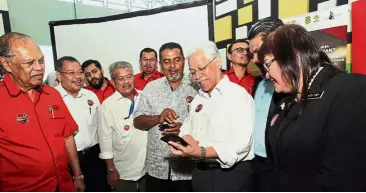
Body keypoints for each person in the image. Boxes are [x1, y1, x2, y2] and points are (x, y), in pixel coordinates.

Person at [259, 24, 366, 191]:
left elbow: (343, 178)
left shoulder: (349, 90)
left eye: (267, 64)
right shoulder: (285, 101)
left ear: (292, 55)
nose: (266, 74)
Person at [0, 32, 84, 191]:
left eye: (41, 60)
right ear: (6, 63)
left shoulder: (52, 94)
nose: (39, 68)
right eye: (29, 62)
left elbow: (67, 137)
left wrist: (78, 175)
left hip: (64, 185)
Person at [169, 41, 255, 192]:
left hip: (230, 178)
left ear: (217, 62)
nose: (197, 76)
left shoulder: (238, 95)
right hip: (201, 175)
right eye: (193, 72)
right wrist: (182, 145)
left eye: (201, 68)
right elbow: (187, 131)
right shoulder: (198, 99)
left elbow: (240, 145)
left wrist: (201, 152)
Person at [133, 42, 197, 192]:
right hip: (156, 168)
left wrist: (185, 128)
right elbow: (137, 121)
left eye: (177, 60)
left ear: (184, 61)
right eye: (167, 61)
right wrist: (158, 118)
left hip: (188, 170)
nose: (172, 66)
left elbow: (209, 124)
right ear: (160, 65)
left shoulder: (197, 87)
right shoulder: (151, 88)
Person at [55, 56, 110, 191]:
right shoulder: (52, 97)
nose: (78, 77)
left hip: (94, 156)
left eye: (80, 72)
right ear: (59, 76)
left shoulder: (90, 96)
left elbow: (101, 128)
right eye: (71, 73)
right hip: (67, 161)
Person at [247, 16, 284, 191]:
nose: (254, 59)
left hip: (281, 167)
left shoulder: (290, 88)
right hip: (256, 164)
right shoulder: (259, 83)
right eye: (252, 53)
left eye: (257, 51)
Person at [98, 61, 147, 192]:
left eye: (129, 76)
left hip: (147, 170)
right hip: (123, 173)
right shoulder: (107, 106)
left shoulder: (145, 97)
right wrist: (110, 170)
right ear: (113, 82)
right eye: (121, 78)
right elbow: (105, 141)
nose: (126, 81)